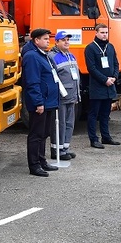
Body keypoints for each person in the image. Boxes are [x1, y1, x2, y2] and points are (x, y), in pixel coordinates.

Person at [22, 28, 60, 177]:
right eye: (45, 38)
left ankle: (42, 160)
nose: (48, 41)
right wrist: (38, 102)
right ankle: (34, 165)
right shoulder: (32, 56)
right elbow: (33, 82)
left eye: (48, 38)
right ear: (36, 40)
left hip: (49, 101)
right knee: (36, 134)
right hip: (41, 102)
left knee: (44, 133)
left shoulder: (44, 55)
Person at [84, 23, 121, 147]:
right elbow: (92, 68)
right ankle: (93, 139)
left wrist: (115, 77)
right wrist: (105, 79)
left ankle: (106, 137)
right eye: (102, 32)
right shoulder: (90, 48)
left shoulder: (110, 47)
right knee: (94, 114)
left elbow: (116, 63)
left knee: (106, 114)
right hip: (98, 86)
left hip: (110, 86)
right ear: (96, 33)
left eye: (106, 32)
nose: (105, 35)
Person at [50, 31, 80, 160]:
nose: (67, 42)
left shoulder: (71, 56)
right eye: (63, 40)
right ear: (56, 42)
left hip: (72, 95)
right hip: (61, 97)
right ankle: (57, 150)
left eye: (68, 39)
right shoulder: (52, 56)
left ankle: (65, 147)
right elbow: (53, 78)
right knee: (59, 124)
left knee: (69, 123)